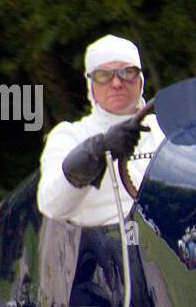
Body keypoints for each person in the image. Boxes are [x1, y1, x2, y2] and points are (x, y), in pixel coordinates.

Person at [37, 34, 163, 227]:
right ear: (91, 85)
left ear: (140, 81)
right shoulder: (69, 136)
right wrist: (97, 150)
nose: (117, 83)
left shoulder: (165, 128)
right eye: (103, 75)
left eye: (127, 72)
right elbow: (51, 205)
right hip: (107, 247)